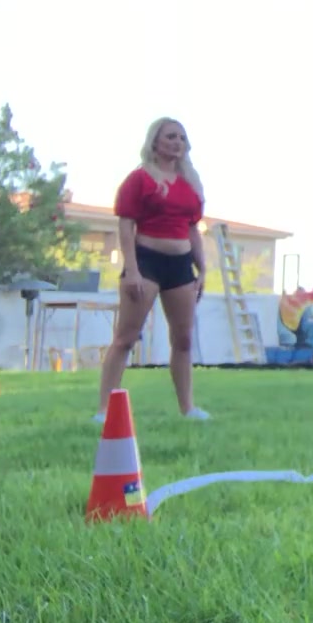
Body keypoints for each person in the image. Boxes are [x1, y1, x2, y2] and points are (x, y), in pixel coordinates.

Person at [97, 118, 210, 422]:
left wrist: (202, 269)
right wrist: (132, 270)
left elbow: (193, 229)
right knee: (126, 338)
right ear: (155, 142)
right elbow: (126, 225)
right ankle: (104, 410)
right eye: (171, 136)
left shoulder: (190, 183)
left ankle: (188, 408)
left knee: (183, 340)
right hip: (146, 262)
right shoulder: (139, 179)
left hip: (180, 267)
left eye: (182, 138)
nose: (177, 142)